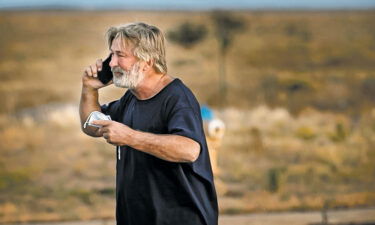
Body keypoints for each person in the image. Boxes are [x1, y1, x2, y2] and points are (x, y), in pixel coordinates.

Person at [79, 22, 218, 225]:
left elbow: (189, 150)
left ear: (147, 61)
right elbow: (92, 126)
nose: (111, 63)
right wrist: (89, 89)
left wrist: (130, 137)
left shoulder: (177, 98)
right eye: (112, 55)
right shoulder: (131, 98)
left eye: (120, 55)